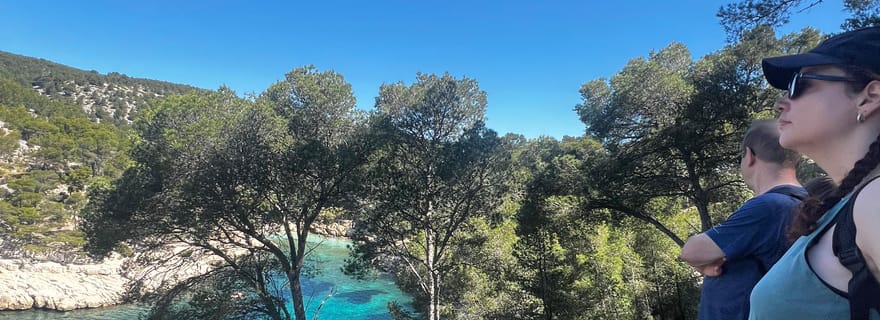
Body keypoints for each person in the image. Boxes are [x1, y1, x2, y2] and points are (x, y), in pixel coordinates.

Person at [750, 26, 880, 319]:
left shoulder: (875, 199)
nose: (780, 102)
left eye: (799, 84)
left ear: (869, 97)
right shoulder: (849, 207)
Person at [680, 119, 806, 320]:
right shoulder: (804, 202)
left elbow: (691, 251)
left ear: (749, 156)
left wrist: (704, 260)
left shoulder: (769, 207)